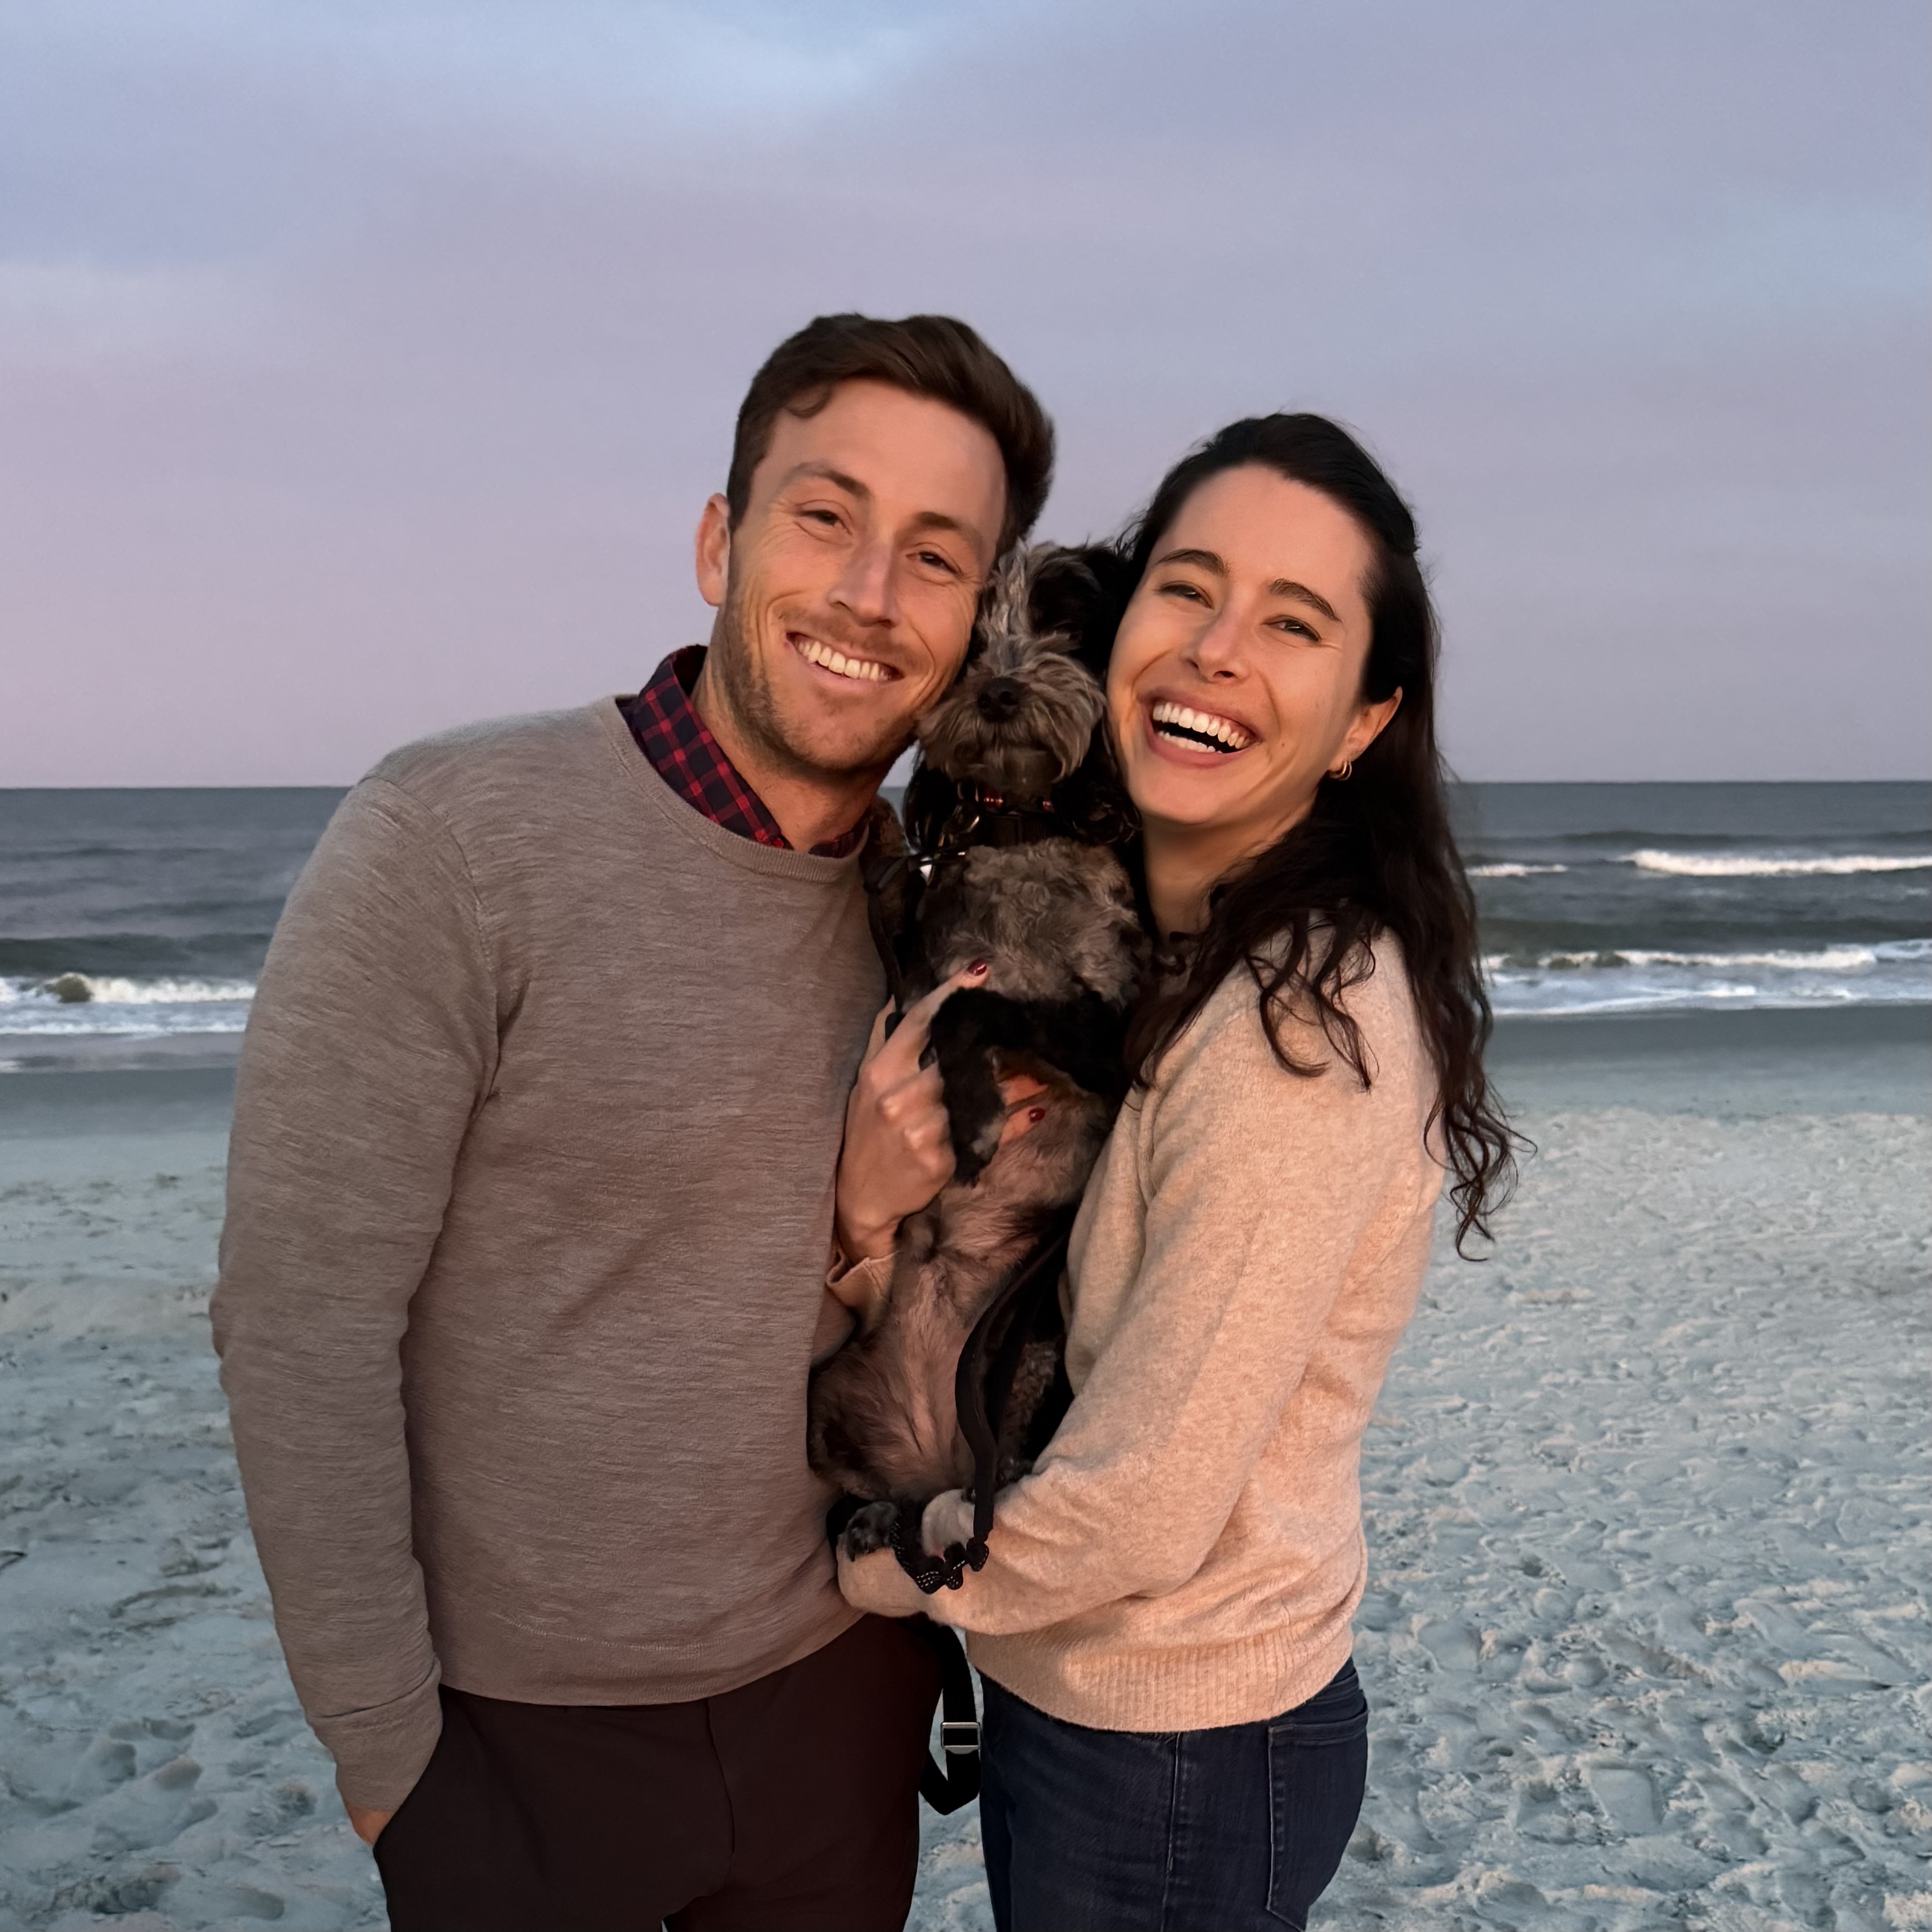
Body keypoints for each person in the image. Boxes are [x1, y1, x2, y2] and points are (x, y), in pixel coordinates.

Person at [211, 312, 1053, 1931]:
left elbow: (836, 1294)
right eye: (825, 517)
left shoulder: (920, 916)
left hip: (837, 1700)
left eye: (936, 556)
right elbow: (297, 1325)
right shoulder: (450, 840)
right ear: (718, 543)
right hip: (515, 1744)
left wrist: (855, 1230)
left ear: (977, 617)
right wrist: (395, 1770)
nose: (871, 594)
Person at [837, 413, 1517, 1931]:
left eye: (1291, 623)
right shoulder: (1186, 959)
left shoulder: (1296, 1030)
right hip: (1104, 1699)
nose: (1215, 650)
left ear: (1358, 721)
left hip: (1170, 1733)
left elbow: (1135, 1508)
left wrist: (863, 1574)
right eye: (1186, 590)